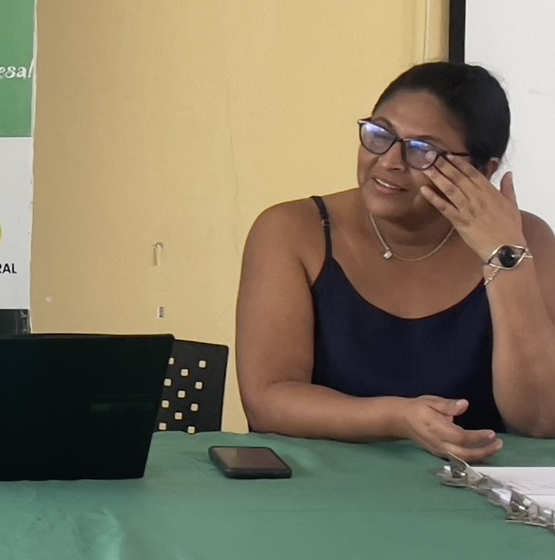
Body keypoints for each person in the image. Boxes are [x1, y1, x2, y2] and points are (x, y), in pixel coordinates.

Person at [236, 62, 555, 462]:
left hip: (476, 486)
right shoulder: (292, 230)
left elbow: (541, 420)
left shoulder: (527, 241)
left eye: (423, 151)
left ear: (484, 171)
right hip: (322, 485)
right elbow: (267, 401)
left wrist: (502, 256)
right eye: (380, 134)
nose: (389, 161)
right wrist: (398, 418)